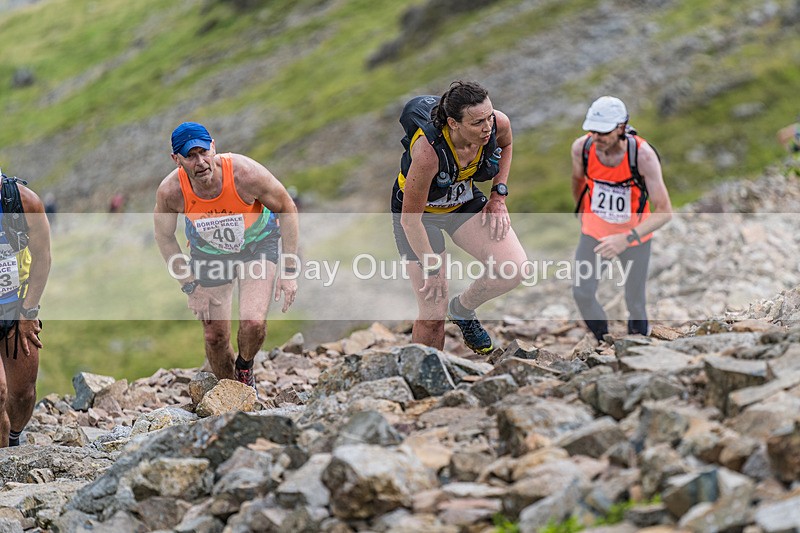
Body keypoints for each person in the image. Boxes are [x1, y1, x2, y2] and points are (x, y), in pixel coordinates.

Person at [154, 122, 299, 388]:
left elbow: (287, 207)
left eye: (204, 152)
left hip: (257, 245)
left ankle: (244, 368)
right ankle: (229, 393)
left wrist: (289, 271)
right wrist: (189, 285)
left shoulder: (245, 173)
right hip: (209, 255)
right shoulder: (170, 192)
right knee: (214, 336)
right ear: (176, 160)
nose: (200, 162)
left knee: (253, 322)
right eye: (190, 156)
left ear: (214, 147)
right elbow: (164, 236)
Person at [391, 81, 526, 354]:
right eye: (477, 122)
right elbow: (410, 221)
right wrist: (433, 270)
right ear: (453, 124)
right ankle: (421, 380)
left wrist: (498, 196)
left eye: (489, 116)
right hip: (420, 216)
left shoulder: (498, 124)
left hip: (461, 202)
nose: (487, 127)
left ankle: (462, 310)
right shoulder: (428, 152)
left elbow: (507, 143)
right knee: (432, 311)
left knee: (513, 268)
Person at [571, 96, 673, 342]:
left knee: (635, 302)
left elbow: (664, 211)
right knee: (582, 293)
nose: (596, 138)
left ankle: (637, 349)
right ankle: (604, 342)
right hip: (595, 233)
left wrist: (626, 238)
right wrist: (586, 215)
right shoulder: (581, 148)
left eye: (603, 132)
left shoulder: (643, 155)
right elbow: (578, 182)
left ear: (621, 127)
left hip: (634, 236)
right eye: (592, 131)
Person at [0, 176, 51, 447]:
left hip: (15, 304)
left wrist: (29, 311)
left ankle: (13, 439)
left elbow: (42, 257)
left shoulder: (24, 202)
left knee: (22, 394)